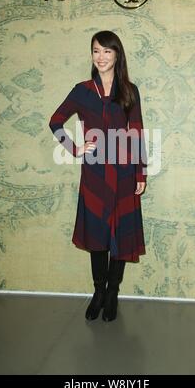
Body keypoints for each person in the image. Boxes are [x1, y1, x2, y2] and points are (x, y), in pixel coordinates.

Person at [49, 30, 147, 322]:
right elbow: (55, 121)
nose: (101, 57)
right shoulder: (82, 90)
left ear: (117, 54)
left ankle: (114, 292)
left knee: (119, 234)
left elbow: (137, 132)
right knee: (98, 236)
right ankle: (99, 292)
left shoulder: (129, 90)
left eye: (106, 51)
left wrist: (140, 173)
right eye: (95, 51)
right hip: (94, 173)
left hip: (125, 171)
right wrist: (75, 148)